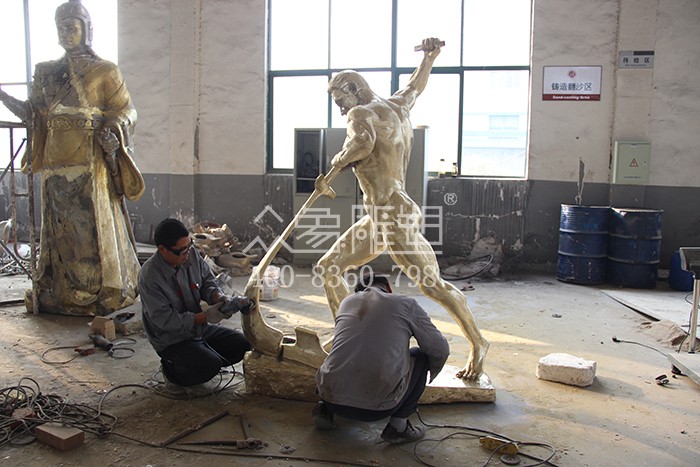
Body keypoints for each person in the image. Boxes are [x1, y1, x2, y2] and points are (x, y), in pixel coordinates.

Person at [315, 37, 489, 381]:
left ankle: (478, 342)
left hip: (392, 215)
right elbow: (414, 86)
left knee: (432, 285)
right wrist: (428, 59)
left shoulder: (360, 113)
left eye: (340, 101)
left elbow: (362, 143)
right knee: (328, 267)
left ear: (353, 90)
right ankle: (347, 337)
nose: (341, 110)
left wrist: (337, 161)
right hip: (382, 214)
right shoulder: (397, 106)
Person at [0, 0, 144, 316]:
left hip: (91, 159)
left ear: (86, 29)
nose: (65, 33)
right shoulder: (45, 72)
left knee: (94, 228)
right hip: (55, 160)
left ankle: (104, 289)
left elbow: (127, 111)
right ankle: (60, 289)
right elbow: (32, 114)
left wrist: (113, 130)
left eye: (71, 27)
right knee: (59, 230)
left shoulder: (105, 70)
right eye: (60, 27)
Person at [314, 274, 449, 444]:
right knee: (420, 356)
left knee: (342, 352)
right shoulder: (406, 303)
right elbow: (440, 349)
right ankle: (398, 428)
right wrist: (428, 374)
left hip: (331, 399)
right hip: (378, 410)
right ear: (389, 288)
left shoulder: (347, 302)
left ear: (359, 292)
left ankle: (324, 411)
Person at [139, 218, 253, 395]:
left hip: (199, 329)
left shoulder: (190, 254)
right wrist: (205, 316)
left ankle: (201, 359)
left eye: (189, 246)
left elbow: (207, 281)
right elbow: (165, 320)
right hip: (172, 339)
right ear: (162, 249)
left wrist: (218, 297)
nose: (187, 253)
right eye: (181, 250)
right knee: (209, 365)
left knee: (243, 345)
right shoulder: (149, 277)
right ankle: (172, 372)